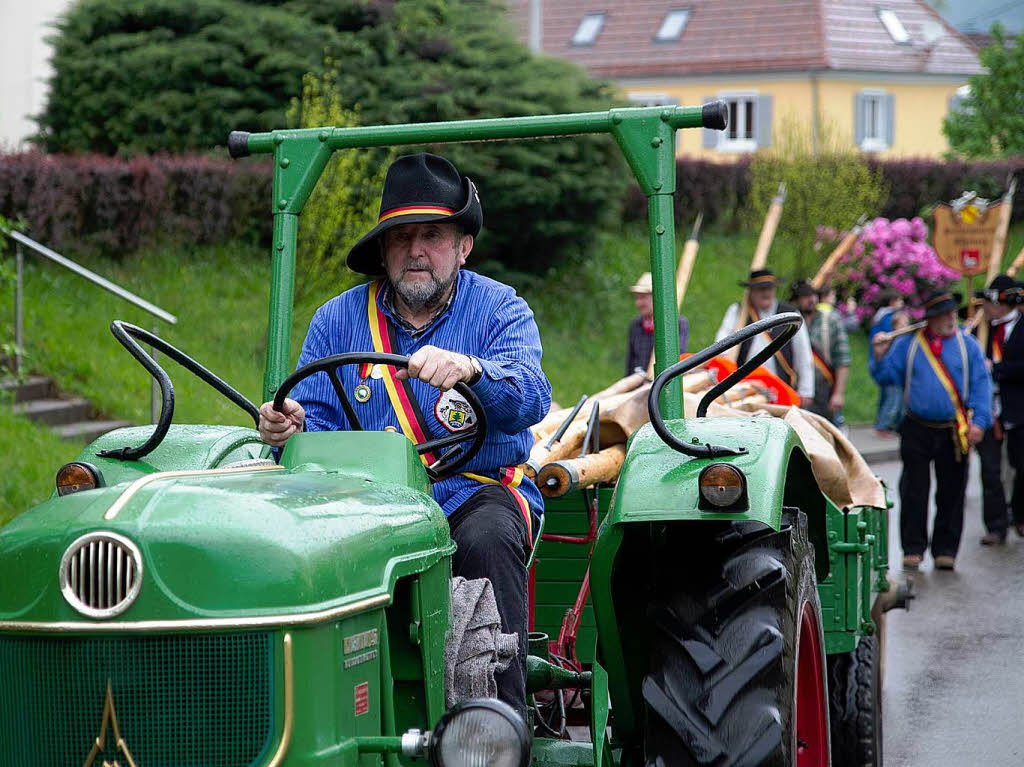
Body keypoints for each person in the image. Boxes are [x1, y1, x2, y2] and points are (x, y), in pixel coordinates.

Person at [257, 153, 551, 718]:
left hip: (470, 489)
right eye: (402, 237)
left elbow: (530, 397)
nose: (416, 250)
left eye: (433, 235)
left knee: (487, 538)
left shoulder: (500, 310)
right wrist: (287, 428)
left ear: (463, 246)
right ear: (384, 248)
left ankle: (494, 734)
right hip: (365, 503)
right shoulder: (336, 320)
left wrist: (473, 371)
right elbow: (311, 426)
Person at [870, 290, 992, 571]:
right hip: (916, 427)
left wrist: (980, 422)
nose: (951, 318)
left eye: (952, 312)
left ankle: (945, 550)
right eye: (944, 314)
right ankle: (913, 549)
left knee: (952, 490)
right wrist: (879, 355)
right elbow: (887, 377)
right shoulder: (909, 345)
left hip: (953, 430)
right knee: (914, 489)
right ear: (931, 319)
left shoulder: (968, 345)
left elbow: (981, 385)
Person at [715, 269, 814, 406]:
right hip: (744, 387)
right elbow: (721, 344)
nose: (766, 293)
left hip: (781, 387)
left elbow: (803, 353)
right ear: (751, 292)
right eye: (761, 289)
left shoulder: (789, 313)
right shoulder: (737, 311)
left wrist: (806, 390)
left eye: (769, 288)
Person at [974, 275, 1024, 545]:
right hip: (987, 410)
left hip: (1018, 410)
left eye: (990, 302)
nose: (985, 307)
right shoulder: (981, 331)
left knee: (1021, 466)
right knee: (990, 470)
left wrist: (998, 369)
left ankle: (1019, 513)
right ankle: (995, 526)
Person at [791, 280, 850, 425]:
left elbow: (842, 359)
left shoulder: (832, 320)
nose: (811, 300)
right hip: (796, 389)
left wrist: (838, 394)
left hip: (825, 389)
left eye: (813, 295)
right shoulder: (790, 322)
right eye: (805, 296)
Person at [625, 272, 688, 376]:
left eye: (643, 298)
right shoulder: (635, 324)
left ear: (656, 297)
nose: (638, 303)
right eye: (637, 298)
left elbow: (677, 357)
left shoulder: (677, 324)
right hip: (638, 381)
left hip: (664, 381)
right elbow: (630, 363)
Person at [869, 289, 908, 435]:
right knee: (892, 400)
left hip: (887, 369)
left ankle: (888, 425)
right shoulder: (887, 318)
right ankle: (883, 426)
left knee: (889, 398)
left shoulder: (879, 316)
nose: (901, 303)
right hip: (889, 372)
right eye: (899, 300)